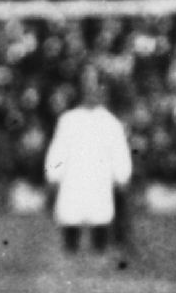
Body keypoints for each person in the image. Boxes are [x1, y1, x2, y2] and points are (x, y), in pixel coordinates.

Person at [44, 68, 132, 257]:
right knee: (71, 213)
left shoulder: (111, 123)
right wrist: (53, 174)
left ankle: (99, 249)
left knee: (100, 213)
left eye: (96, 88)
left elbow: (119, 152)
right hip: (74, 176)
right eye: (87, 87)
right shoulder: (69, 120)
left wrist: (122, 175)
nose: (92, 92)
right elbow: (58, 149)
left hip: (99, 177)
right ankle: (70, 248)